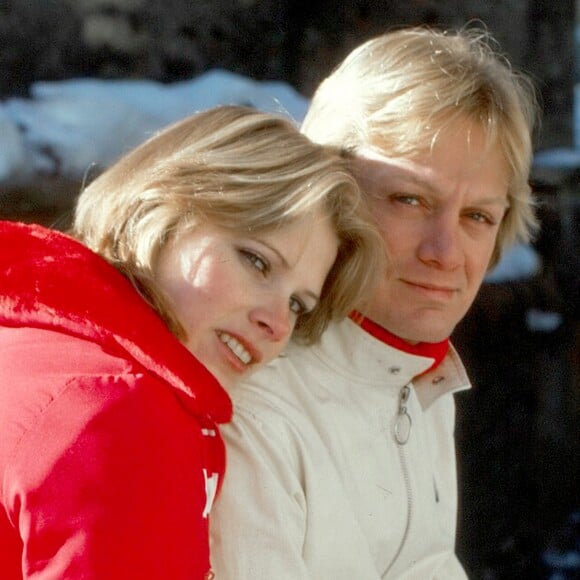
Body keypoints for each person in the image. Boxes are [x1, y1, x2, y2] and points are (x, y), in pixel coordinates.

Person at [209, 26, 540, 579]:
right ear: (325, 193)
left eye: (477, 216)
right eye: (409, 199)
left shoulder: (421, 377)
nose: (445, 252)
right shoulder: (256, 405)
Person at [0, 105, 382, 579]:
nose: (278, 324)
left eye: (299, 305)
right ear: (161, 208)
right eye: (257, 262)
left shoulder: (32, 333)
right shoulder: (121, 411)